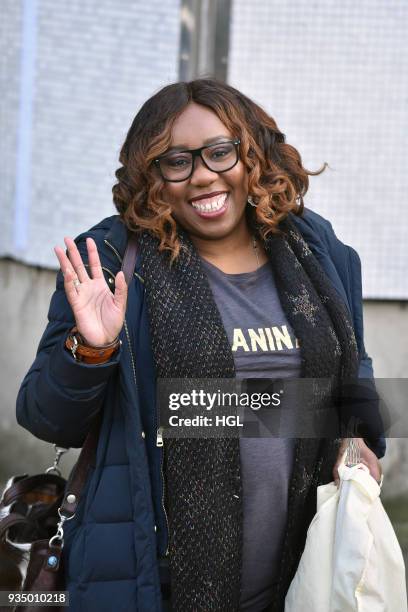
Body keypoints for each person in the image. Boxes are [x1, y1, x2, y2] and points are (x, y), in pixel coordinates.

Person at [16, 78, 384, 612]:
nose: (203, 176)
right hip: (156, 579)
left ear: (251, 154)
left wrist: (358, 438)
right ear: (152, 176)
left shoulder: (315, 251)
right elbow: (47, 419)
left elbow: (354, 374)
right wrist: (92, 350)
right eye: (176, 161)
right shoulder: (116, 265)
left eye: (219, 152)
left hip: (305, 570)